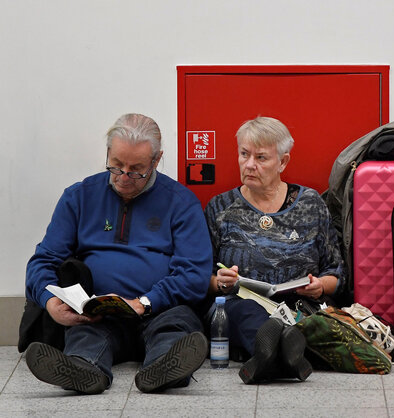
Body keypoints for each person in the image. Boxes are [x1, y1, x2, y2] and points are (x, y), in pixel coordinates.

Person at [24, 113, 213, 395]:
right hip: (100, 315)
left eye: (136, 169)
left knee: (176, 328)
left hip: (160, 309)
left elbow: (194, 274)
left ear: (156, 160)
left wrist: (145, 302)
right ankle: (84, 368)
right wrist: (50, 301)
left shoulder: (181, 202)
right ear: (108, 153)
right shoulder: (79, 197)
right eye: (116, 166)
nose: (124, 177)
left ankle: (164, 368)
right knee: (84, 334)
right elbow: (43, 261)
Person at [204, 116, 345, 384]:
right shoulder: (220, 208)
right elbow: (201, 277)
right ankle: (288, 356)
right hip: (240, 305)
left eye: (261, 158)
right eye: (244, 154)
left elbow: (337, 273)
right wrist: (220, 283)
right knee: (244, 312)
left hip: (301, 303)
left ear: (283, 162)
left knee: (306, 319)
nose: (249, 165)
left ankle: (270, 360)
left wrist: (320, 286)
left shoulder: (310, 203)